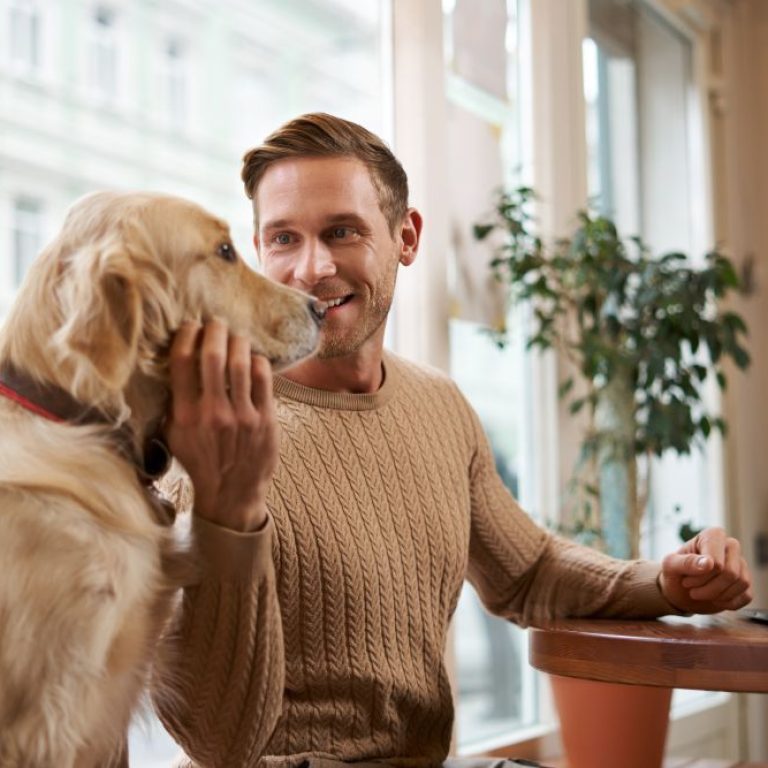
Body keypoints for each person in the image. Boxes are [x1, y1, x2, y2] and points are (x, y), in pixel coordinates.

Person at [154, 113, 753, 768]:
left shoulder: (435, 403)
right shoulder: (213, 435)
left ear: (406, 236)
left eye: (342, 232)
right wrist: (226, 507)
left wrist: (662, 582)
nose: (312, 267)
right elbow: (213, 740)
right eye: (283, 239)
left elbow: (526, 573)